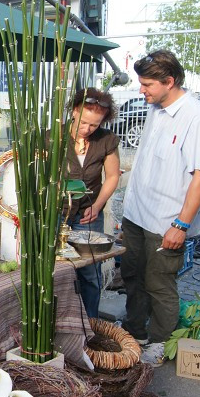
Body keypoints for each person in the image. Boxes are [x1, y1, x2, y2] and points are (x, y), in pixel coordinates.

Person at [121, 50, 200, 365]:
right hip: (137, 214)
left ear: (169, 81)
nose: (141, 90)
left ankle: (159, 343)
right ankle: (134, 332)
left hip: (166, 221)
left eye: (147, 84)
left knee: (159, 282)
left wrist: (181, 225)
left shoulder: (197, 118)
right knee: (132, 275)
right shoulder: (156, 109)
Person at [64, 88, 121, 318]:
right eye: (84, 122)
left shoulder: (106, 140)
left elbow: (113, 176)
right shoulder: (52, 136)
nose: (87, 129)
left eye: (94, 125)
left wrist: (97, 206)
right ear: (75, 111)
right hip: (56, 214)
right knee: (59, 270)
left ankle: (90, 323)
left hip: (88, 212)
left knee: (90, 271)